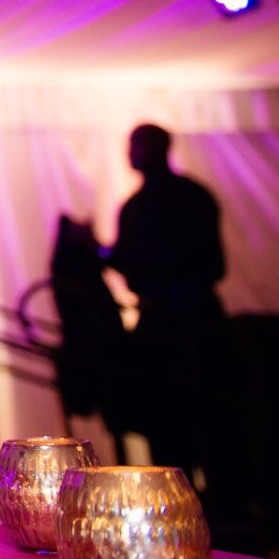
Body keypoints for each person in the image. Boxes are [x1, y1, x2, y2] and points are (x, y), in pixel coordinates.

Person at [103, 123, 228, 480]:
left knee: (194, 420)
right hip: (173, 321)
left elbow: (207, 263)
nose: (130, 154)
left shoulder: (163, 201)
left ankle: (211, 501)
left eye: (136, 146)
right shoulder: (160, 201)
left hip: (185, 324)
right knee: (175, 422)